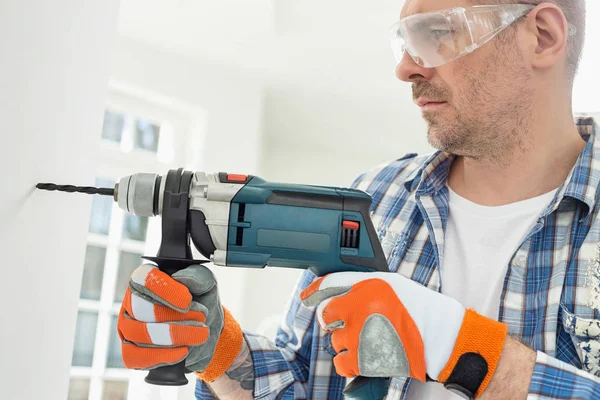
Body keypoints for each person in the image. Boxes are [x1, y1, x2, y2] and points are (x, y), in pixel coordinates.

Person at [116, 0, 600, 398]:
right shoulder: (378, 197)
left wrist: (471, 353)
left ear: (541, 36)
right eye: (405, 42)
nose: (405, 67)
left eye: (436, 32)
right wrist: (220, 352)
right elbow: (303, 383)